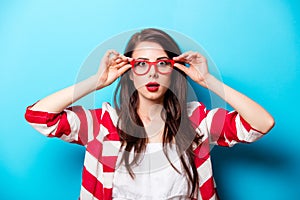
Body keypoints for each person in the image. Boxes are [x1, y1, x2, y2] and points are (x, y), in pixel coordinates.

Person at [24, 28, 275, 200]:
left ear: (174, 69)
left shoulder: (197, 122)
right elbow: (38, 116)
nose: (152, 73)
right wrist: (96, 81)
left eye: (162, 63)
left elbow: (262, 124)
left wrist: (208, 80)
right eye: (141, 64)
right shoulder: (102, 124)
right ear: (129, 72)